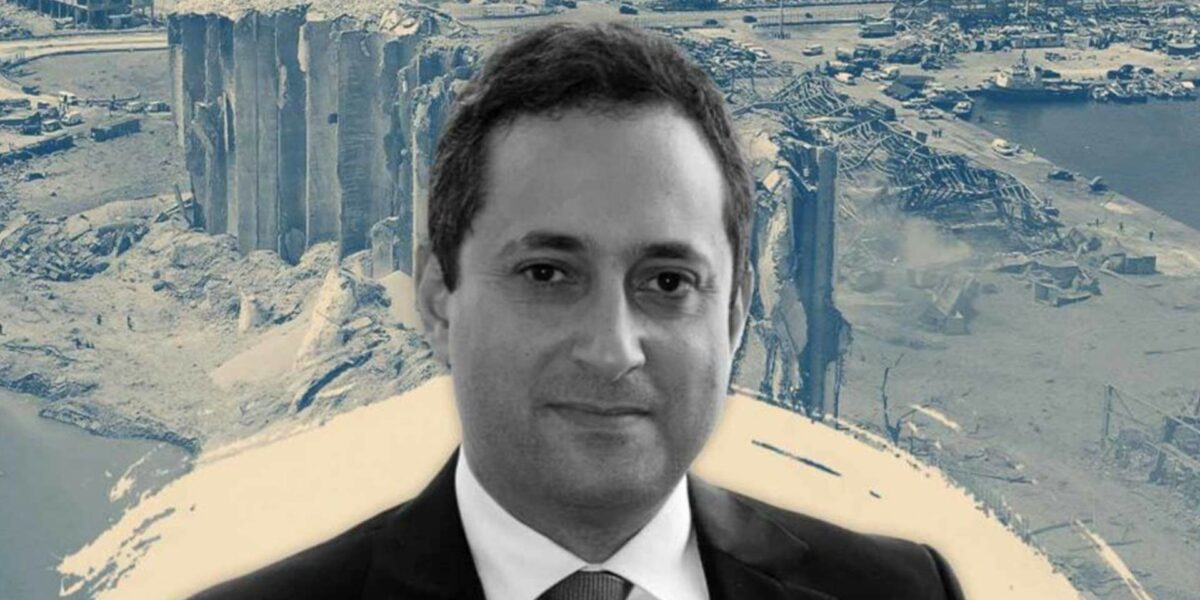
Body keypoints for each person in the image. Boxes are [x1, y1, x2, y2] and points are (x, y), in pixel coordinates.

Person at [194, 22, 963, 600]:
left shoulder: (904, 592)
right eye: (547, 273)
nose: (612, 348)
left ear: (734, 317)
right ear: (437, 300)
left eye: (668, 283)